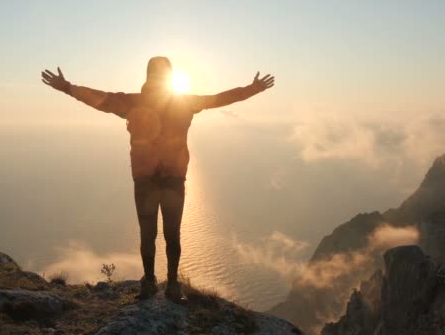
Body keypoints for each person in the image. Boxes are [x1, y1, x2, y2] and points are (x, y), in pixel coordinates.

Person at [41, 57, 274, 304]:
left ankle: (150, 282)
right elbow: (219, 99)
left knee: (148, 234)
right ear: (170, 76)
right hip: (172, 180)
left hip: (146, 181)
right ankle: (172, 286)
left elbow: (100, 100)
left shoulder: (132, 103)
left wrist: (67, 87)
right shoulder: (184, 102)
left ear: (148, 75)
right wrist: (252, 89)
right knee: (172, 235)